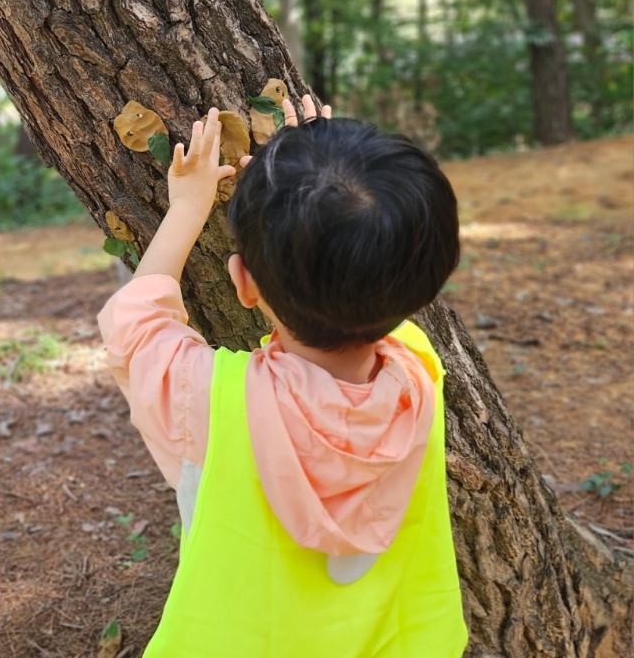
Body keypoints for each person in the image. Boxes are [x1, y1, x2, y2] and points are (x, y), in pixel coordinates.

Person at [98, 97, 468, 657]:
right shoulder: (417, 365)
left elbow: (136, 325)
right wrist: (319, 173)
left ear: (243, 285)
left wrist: (188, 207)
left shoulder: (214, 400)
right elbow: (370, 253)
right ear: (424, 283)